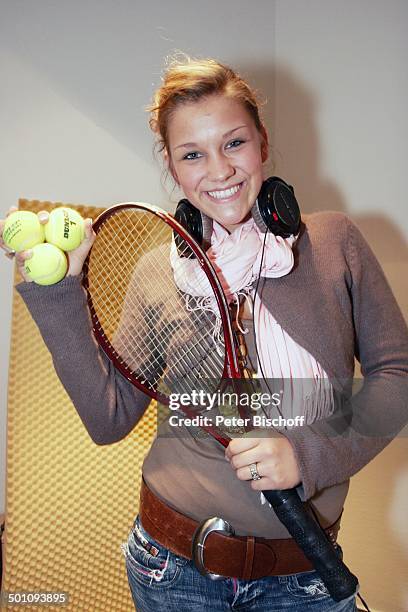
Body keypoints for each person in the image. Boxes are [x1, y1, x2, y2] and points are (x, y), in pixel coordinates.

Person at [1, 56, 407, 612]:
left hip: (306, 577)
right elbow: (108, 419)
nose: (218, 170)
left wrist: (309, 456)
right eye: (193, 153)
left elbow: (397, 376)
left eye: (234, 143)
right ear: (172, 166)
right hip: (172, 571)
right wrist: (58, 294)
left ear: (262, 142)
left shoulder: (335, 243)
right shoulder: (157, 271)